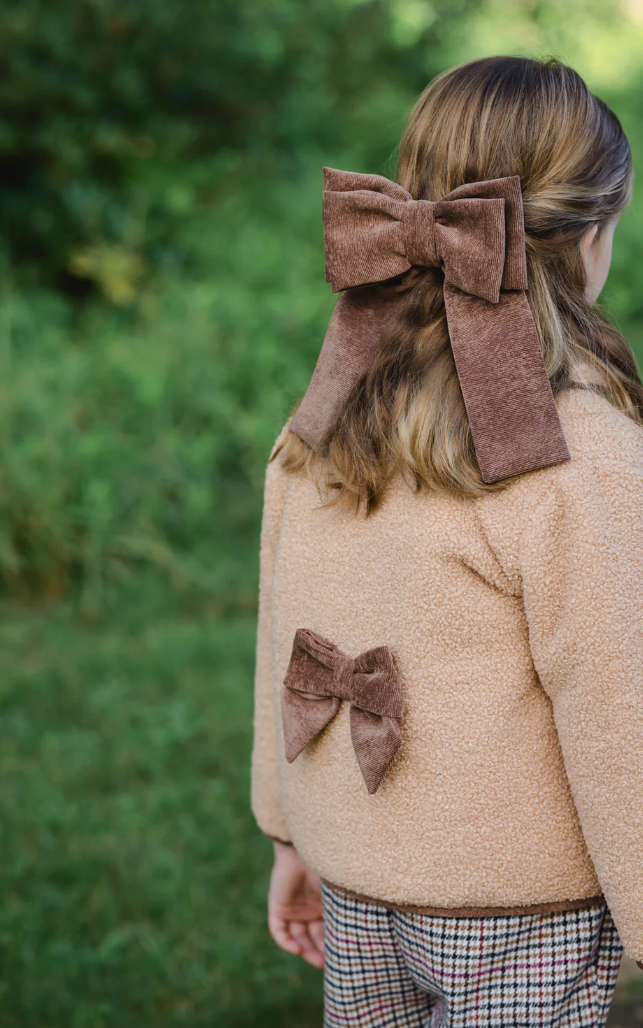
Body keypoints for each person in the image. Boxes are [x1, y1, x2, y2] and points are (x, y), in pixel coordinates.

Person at [250, 55, 643, 1027]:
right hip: (519, 910)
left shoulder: (332, 410)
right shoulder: (576, 451)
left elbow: (285, 637)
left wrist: (288, 834)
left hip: (359, 880)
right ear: (594, 231)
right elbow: (622, 707)